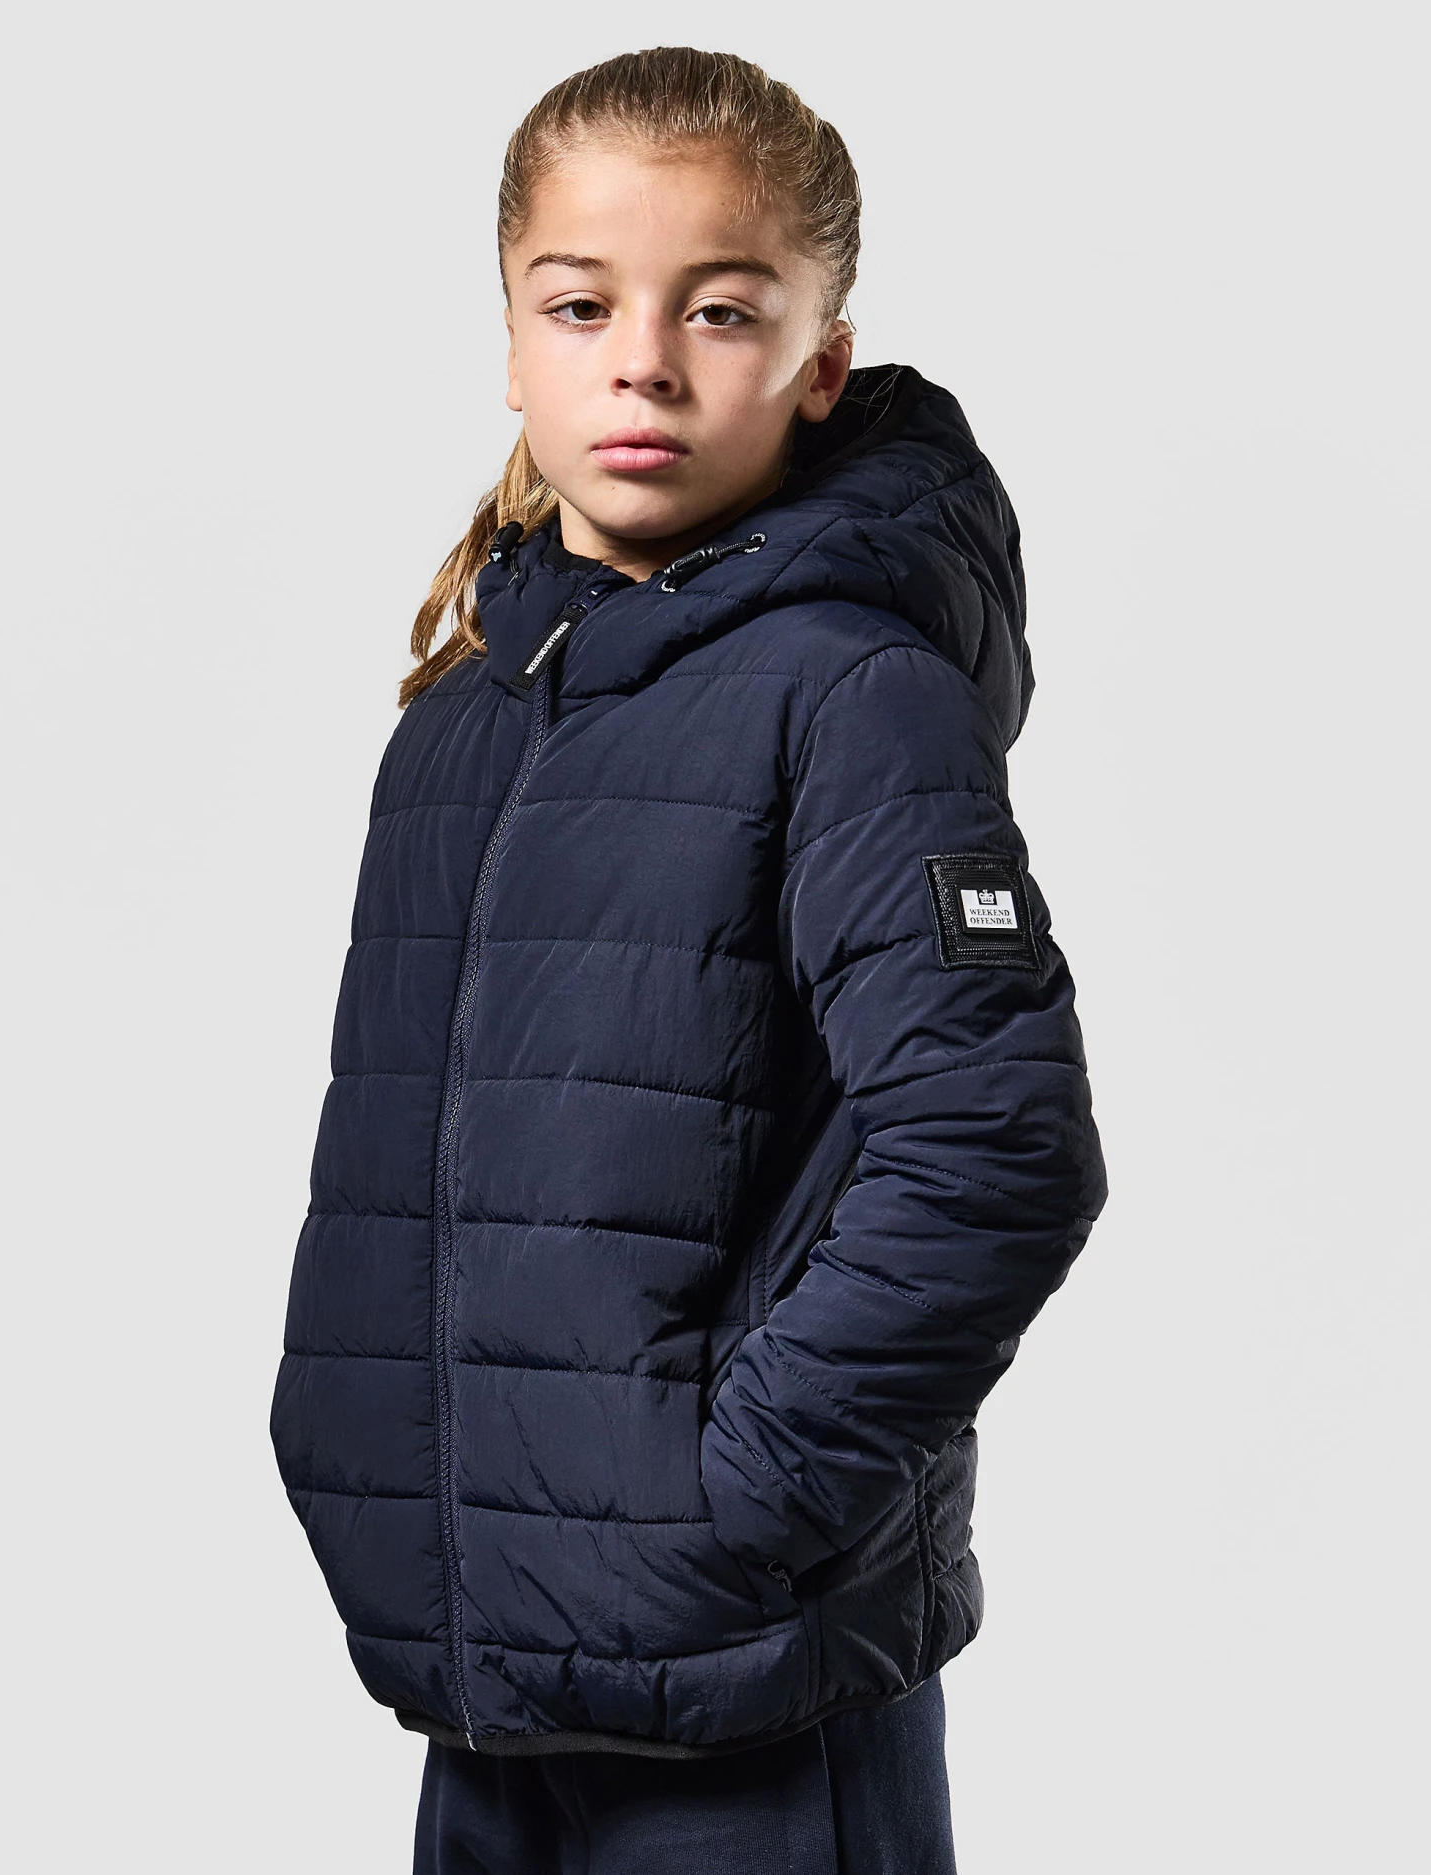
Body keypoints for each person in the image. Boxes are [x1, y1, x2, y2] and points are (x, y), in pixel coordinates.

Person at [270, 45, 1107, 1874]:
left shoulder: (855, 691)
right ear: (513, 342)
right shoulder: (465, 716)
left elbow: (998, 1149)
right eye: (581, 305)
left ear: (822, 362)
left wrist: (740, 1502)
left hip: (755, 1706)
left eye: (720, 310)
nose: (642, 359)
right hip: (487, 1679)